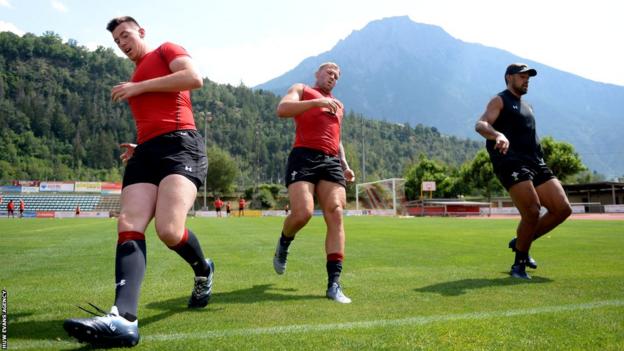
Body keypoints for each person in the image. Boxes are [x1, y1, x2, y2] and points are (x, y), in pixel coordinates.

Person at [64, 16, 213, 348]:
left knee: (169, 230)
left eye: (125, 35)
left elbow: (194, 78)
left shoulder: (165, 51)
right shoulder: (135, 73)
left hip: (181, 145)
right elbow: (153, 117)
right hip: (146, 151)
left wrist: (138, 87)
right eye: (117, 41)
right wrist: (140, 144)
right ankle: (124, 318)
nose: (122, 43)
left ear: (141, 32)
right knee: (128, 222)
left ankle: (203, 269)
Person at [475, 63, 572, 280]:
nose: (526, 79)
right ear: (509, 78)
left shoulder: (528, 106)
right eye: (522, 76)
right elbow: (481, 124)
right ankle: (519, 264)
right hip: (510, 161)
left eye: (528, 77)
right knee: (532, 210)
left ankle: (521, 241)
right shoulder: (499, 100)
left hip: (535, 162)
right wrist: (497, 135)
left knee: (562, 209)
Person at [272, 62, 355, 303]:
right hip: (303, 156)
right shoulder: (302, 89)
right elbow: (283, 109)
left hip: (330, 161)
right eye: (329, 73)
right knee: (303, 213)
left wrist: (345, 163)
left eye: (337, 76)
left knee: (336, 212)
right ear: (317, 74)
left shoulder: (339, 105)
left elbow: (336, 137)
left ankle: (334, 284)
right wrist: (317, 102)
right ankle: (284, 242)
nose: (333, 78)